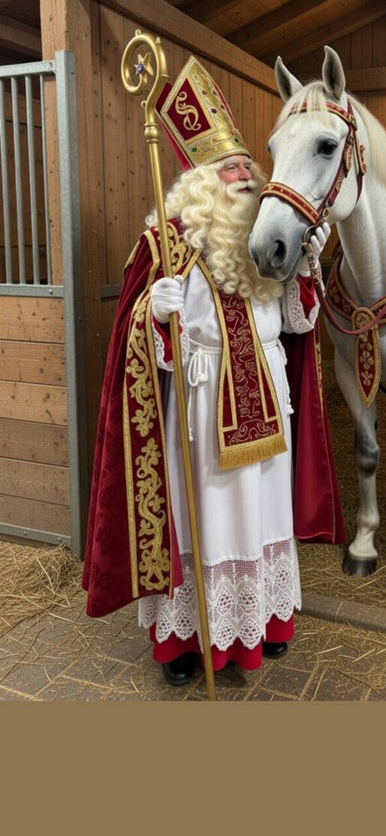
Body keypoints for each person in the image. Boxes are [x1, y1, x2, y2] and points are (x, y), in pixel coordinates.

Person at [82, 55, 344, 687]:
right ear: (200, 180)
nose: (243, 175)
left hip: (267, 400)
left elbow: (298, 325)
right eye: (229, 168)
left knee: (263, 514)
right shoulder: (165, 243)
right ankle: (184, 641)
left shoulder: (267, 239)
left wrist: (307, 272)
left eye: (247, 166)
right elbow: (135, 348)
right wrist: (152, 311)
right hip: (200, 404)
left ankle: (265, 624)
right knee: (206, 518)